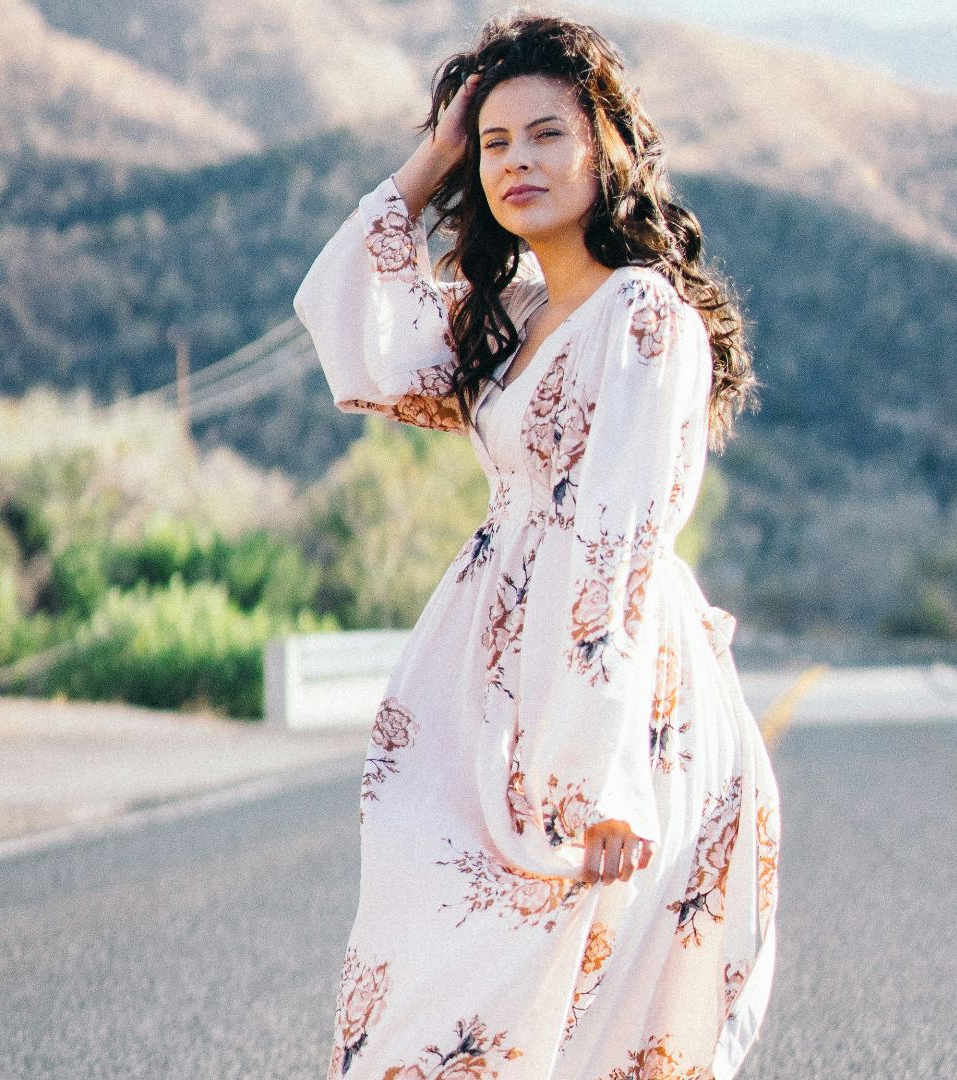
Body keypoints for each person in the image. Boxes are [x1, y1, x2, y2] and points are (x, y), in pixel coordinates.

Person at [293, 13, 780, 1079]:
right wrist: (433, 151)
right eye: (495, 143)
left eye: (546, 134)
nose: (516, 162)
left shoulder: (643, 318)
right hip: (488, 697)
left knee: (570, 1013)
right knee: (430, 984)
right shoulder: (504, 323)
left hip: (606, 715)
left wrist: (601, 780)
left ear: (605, 149)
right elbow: (347, 328)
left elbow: (621, 531)